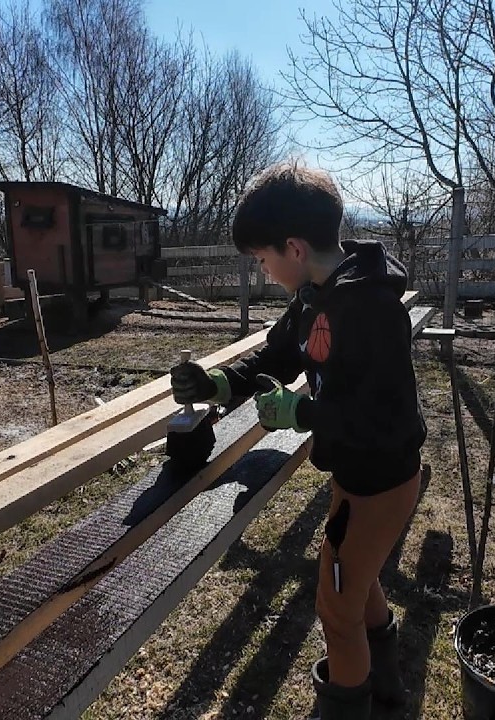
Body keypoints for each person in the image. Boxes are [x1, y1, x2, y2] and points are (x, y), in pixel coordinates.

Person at [170, 160, 426, 720]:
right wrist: (221, 383)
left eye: (262, 260)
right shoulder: (314, 292)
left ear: (293, 247)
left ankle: (357, 707)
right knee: (350, 577)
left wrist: (304, 411)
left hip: (382, 478)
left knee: (336, 612)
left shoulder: (371, 307)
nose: (262, 271)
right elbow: (277, 354)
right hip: (355, 474)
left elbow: (381, 418)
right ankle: (388, 691)